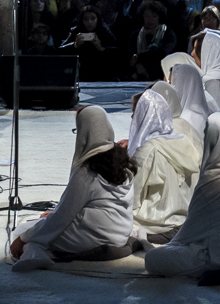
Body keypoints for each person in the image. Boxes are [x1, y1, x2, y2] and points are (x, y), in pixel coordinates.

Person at [10, 106, 136, 268]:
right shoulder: (123, 159)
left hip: (99, 236)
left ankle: (36, 257)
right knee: (43, 224)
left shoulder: (87, 171)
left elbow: (62, 216)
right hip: (121, 231)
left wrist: (24, 238)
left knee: (24, 231)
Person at [144, 114, 220, 277]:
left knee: (152, 258)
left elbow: (190, 231)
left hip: (219, 259)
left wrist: (169, 247)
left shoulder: (216, 179)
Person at [128, 89, 202, 243]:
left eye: (135, 112)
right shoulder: (183, 141)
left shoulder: (149, 150)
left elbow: (133, 197)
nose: (132, 117)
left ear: (145, 116)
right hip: (183, 219)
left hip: (156, 223)